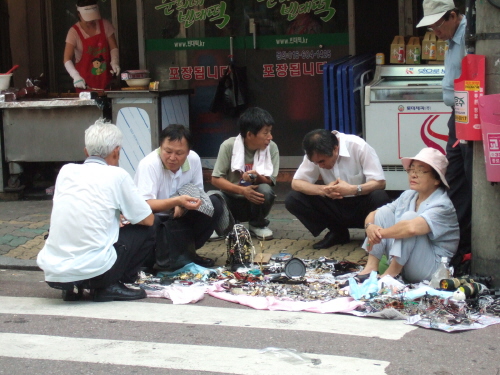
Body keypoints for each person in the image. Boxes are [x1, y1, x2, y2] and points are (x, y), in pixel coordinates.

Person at [37, 119, 155, 302]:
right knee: (150, 229)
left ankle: (73, 287)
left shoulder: (66, 171)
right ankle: (110, 285)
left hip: (54, 271)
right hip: (95, 270)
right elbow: (147, 219)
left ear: (86, 152)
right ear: (116, 152)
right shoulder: (117, 175)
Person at [416, 0, 471, 274]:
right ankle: (458, 245)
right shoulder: (451, 39)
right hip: (457, 114)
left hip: (471, 112)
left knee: (471, 177)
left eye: (438, 24)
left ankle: (469, 247)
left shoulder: (470, 35)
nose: (435, 32)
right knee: (455, 177)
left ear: (453, 15)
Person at [358, 148, 459, 283]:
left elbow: (411, 228)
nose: (413, 175)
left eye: (421, 171)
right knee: (383, 213)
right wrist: (370, 227)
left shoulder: (442, 204)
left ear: (437, 180)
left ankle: (391, 274)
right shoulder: (408, 195)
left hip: (431, 268)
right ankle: (370, 268)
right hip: (406, 260)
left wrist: (378, 233)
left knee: (408, 220)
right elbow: (374, 214)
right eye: (411, 170)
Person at [134, 124, 223, 269]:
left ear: (188, 152)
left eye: (179, 153)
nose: (172, 158)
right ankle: (155, 259)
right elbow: (145, 204)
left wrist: (181, 204)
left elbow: (198, 192)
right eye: (167, 151)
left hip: (182, 213)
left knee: (215, 204)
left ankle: (187, 253)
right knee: (152, 220)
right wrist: (176, 201)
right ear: (160, 147)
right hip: (158, 219)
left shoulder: (194, 159)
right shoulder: (148, 164)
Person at [285, 129, 391, 249]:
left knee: (379, 196)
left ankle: (371, 235)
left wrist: (354, 189)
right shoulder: (315, 154)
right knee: (293, 198)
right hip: (334, 204)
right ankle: (338, 232)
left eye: (322, 161)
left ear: (335, 149)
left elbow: (380, 182)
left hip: (361, 204)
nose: (320, 166)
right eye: (316, 163)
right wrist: (323, 190)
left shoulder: (358, 146)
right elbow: (296, 183)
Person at [211, 107, 279, 240]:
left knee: (265, 190)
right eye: (266, 133)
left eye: (270, 132)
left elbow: (271, 181)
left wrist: (257, 178)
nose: (270, 137)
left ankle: (257, 225)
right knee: (213, 197)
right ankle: (224, 226)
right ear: (249, 134)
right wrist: (242, 191)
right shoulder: (228, 146)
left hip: (254, 200)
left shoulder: (272, 147)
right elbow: (216, 179)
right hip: (231, 198)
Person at [63, 0, 120, 91]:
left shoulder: (105, 25)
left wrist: (115, 62)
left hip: (107, 83)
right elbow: (67, 59)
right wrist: (75, 76)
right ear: (79, 14)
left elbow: (113, 47)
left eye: (93, 18)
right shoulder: (73, 32)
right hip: (85, 84)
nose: (90, 21)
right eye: (87, 18)